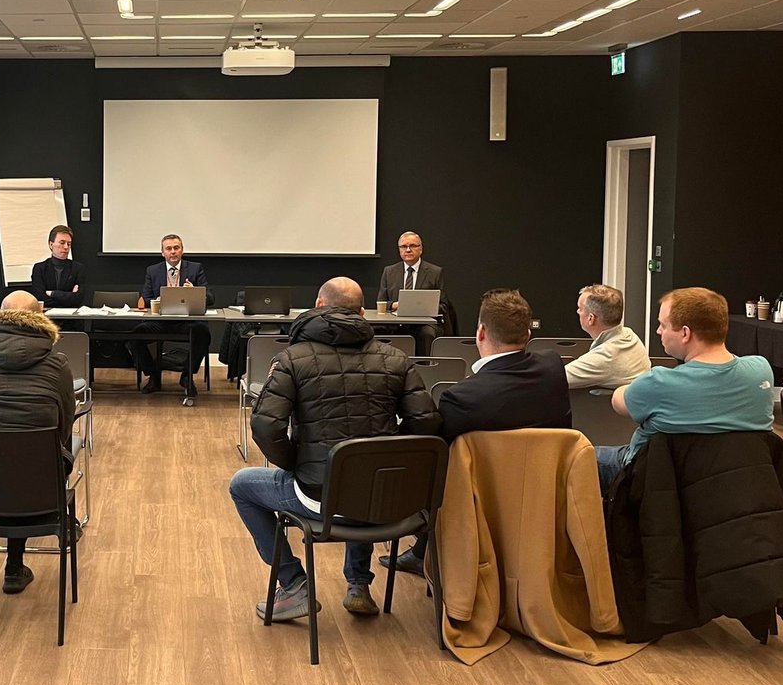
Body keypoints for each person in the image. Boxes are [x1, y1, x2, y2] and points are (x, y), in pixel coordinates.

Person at [230, 277, 440, 621]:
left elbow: (266, 427)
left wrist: (295, 464)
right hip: (386, 499)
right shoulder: (396, 359)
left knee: (241, 485)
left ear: (318, 305)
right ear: (362, 313)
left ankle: (294, 583)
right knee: (365, 468)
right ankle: (358, 585)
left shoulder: (292, 359)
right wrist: (390, 452)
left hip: (318, 497)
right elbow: (426, 423)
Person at [384, 288, 571, 577]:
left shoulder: (462, 398)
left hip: (483, 509)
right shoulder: (553, 369)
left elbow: (437, 459)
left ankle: (425, 554)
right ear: (528, 334)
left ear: (480, 333)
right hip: (546, 499)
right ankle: (421, 553)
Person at [595, 287, 775, 496]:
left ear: (685, 333)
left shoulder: (658, 383)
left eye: (663, 325)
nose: (658, 331)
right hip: (735, 485)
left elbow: (618, 402)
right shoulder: (761, 371)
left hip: (652, 480)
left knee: (576, 457)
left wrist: (635, 384)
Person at [0, 290, 76, 595]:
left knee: (6, 450)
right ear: (40, 318)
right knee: (37, 453)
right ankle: (17, 562)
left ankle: (17, 562)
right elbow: (65, 425)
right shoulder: (58, 363)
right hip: (39, 491)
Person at [133, 233, 211, 405]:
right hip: (161, 322)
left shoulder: (195, 268)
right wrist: (159, 300)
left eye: (176, 248)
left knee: (203, 332)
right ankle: (153, 375)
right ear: (163, 253)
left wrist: (195, 291)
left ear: (182, 250)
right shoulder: (153, 271)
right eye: (169, 248)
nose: (173, 251)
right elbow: (146, 297)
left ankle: (187, 375)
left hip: (186, 323)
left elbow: (211, 298)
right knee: (137, 334)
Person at [565, 284, 651, 389]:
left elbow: (553, 379)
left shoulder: (605, 357)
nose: (577, 312)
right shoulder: (630, 336)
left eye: (580, 308)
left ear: (591, 318)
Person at [377, 231, 444, 310]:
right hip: (396, 317)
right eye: (404, 246)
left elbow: (444, 306)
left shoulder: (435, 273)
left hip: (423, 317)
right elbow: (381, 303)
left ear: (421, 249)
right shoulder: (389, 272)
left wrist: (421, 306)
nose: (408, 250)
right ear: (399, 249)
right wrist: (394, 305)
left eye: (412, 246)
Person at [30, 225, 85, 307]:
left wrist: (52, 293)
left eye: (69, 244)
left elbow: (78, 299)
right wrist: (67, 297)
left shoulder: (77, 268)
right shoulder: (40, 268)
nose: (66, 247)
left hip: (70, 314)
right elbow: (40, 298)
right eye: (62, 243)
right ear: (51, 244)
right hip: (47, 313)